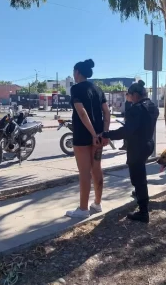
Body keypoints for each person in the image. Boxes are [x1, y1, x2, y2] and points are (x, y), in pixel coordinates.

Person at [102, 80, 159, 223]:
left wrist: (107, 134)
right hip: (148, 144)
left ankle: (143, 212)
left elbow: (126, 131)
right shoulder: (152, 106)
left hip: (137, 147)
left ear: (135, 95)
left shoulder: (136, 108)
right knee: (140, 176)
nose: (129, 98)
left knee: (138, 179)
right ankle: (140, 195)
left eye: (129, 95)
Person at [65, 59, 111, 219]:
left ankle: (83, 209)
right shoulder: (98, 90)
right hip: (98, 135)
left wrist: (92, 133)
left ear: (77, 72)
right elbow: (107, 112)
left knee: (84, 172)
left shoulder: (76, 89)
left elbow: (82, 112)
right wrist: (103, 133)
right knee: (96, 169)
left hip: (84, 135)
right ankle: (97, 204)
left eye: (73, 71)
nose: (73, 74)